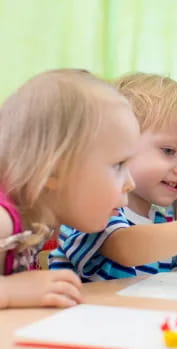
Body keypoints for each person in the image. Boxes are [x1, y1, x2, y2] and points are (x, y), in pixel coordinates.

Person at [49, 73, 177, 281]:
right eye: (168, 151)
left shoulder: (160, 220)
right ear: (119, 143)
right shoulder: (94, 210)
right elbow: (125, 249)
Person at [0, 69, 140, 308]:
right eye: (118, 165)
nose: (131, 183)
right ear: (55, 170)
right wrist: (10, 290)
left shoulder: (38, 221)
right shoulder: (3, 219)